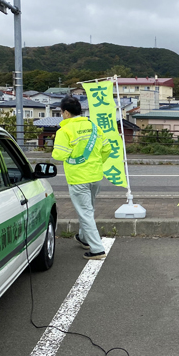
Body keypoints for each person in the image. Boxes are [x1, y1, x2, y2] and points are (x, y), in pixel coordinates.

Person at [51, 96, 112, 260]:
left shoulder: (64, 131)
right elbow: (107, 149)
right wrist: (96, 162)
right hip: (96, 175)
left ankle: (97, 249)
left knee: (85, 213)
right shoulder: (94, 127)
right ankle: (84, 238)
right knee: (88, 209)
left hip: (78, 178)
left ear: (66, 113)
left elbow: (58, 154)